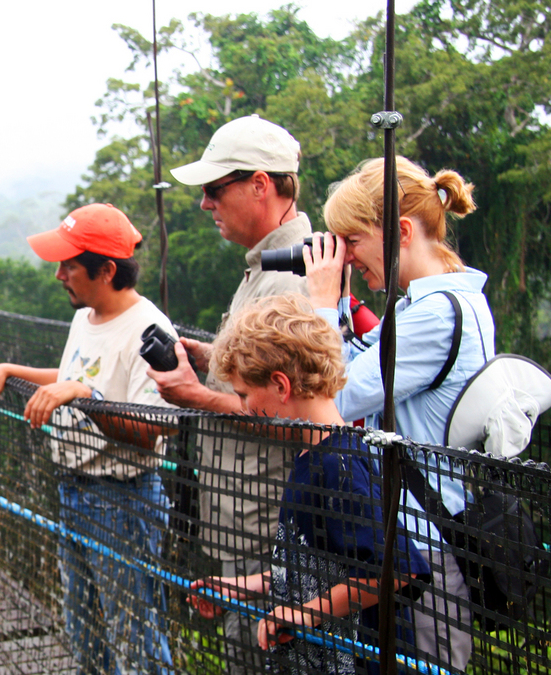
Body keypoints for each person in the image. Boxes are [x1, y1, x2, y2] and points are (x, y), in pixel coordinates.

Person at [303, 156, 490, 671]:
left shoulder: (435, 315)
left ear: (401, 231)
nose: (349, 257)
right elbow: (363, 367)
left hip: (424, 550)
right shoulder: (424, 304)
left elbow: (333, 399)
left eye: (353, 241)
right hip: (409, 540)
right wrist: (339, 308)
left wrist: (320, 301)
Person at [0, 203, 174, 674]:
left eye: (70, 265)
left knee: (136, 639)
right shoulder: (86, 315)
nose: (59, 274)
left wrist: (85, 395)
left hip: (123, 501)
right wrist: (10, 369)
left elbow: (154, 430)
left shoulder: (149, 329)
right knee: (85, 638)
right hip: (74, 491)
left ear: (106, 270)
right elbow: (70, 377)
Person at [190, 294, 430, 675]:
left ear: (281, 386)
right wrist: (242, 587)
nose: (245, 406)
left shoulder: (337, 466)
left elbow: (400, 569)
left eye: (244, 395)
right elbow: (317, 568)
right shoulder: (310, 457)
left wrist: (304, 613)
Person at [147, 114, 310, 673]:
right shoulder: (265, 269)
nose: (204, 204)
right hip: (248, 530)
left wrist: (198, 397)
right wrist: (210, 356)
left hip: (269, 539)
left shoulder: (288, 278)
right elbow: (265, 378)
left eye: (215, 189)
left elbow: (290, 414)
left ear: (261, 184)